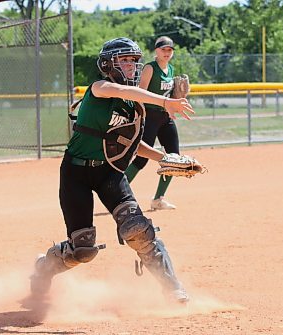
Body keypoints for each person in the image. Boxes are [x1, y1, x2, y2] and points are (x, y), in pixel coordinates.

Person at [29, 37, 194, 303]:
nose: (131, 65)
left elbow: (130, 141)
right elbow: (125, 92)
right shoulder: (100, 87)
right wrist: (165, 103)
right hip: (76, 174)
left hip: (109, 173)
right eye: (125, 60)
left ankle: (172, 288)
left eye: (134, 61)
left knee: (137, 229)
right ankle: (43, 267)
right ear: (108, 63)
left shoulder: (132, 104)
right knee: (82, 249)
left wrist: (164, 157)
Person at [124, 36, 182, 211]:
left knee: (174, 159)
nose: (167, 53)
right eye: (163, 49)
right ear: (156, 50)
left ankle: (158, 199)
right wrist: (138, 116)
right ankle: (116, 194)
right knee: (141, 159)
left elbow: (169, 97)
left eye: (170, 50)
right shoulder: (150, 68)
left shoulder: (170, 69)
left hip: (166, 118)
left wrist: (178, 98)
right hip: (149, 116)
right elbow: (140, 94)